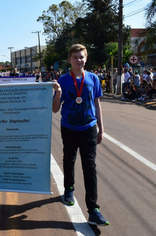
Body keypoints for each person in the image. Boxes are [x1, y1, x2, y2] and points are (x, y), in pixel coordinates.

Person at [52, 44, 109, 226]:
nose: (78, 60)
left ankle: (93, 209)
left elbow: (97, 104)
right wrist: (58, 93)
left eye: (81, 57)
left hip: (89, 128)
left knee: (89, 166)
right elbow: (55, 109)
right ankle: (69, 189)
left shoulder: (93, 78)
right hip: (69, 127)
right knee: (69, 160)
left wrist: (102, 128)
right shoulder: (62, 80)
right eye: (75, 57)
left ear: (86, 58)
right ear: (69, 60)